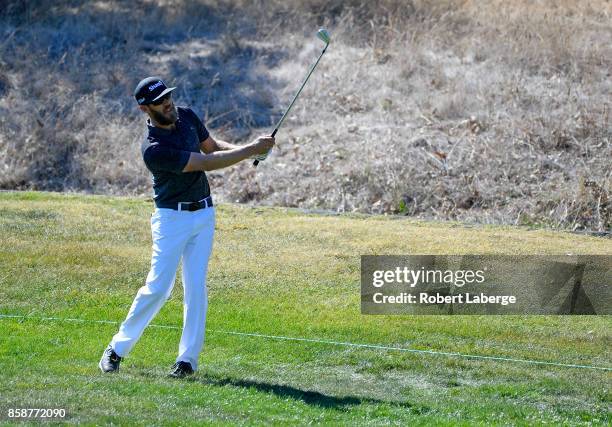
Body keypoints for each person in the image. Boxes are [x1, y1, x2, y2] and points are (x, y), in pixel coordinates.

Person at [99, 76, 274, 378]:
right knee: (158, 288)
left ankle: (187, 361)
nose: (168, 103)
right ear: (145, 109)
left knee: (196, 288)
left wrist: (251, 150)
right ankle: (116, 349)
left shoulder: (187, 116)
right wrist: (249, 150)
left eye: (168, 96)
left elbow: (212, 148)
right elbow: (205, 163)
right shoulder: (153, 149)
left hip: (204, 214)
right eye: (160, 101)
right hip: (172, 219)